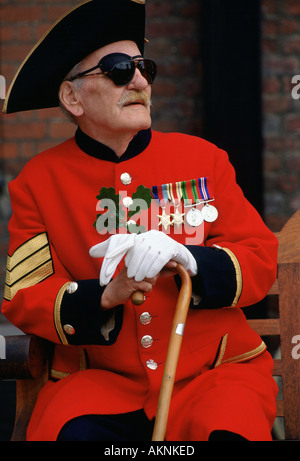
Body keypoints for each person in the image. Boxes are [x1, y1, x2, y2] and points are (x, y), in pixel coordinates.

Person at [2, 0, 278, 441]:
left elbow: (260, 257)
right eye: (116, 69)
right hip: (100, 386)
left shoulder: (204, 159)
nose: (138, 80)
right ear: (72, 96)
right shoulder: (37, 182)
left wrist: (191, 258)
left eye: (143, 67)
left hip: (214, 377)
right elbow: (24, 295)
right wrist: (104, 296)